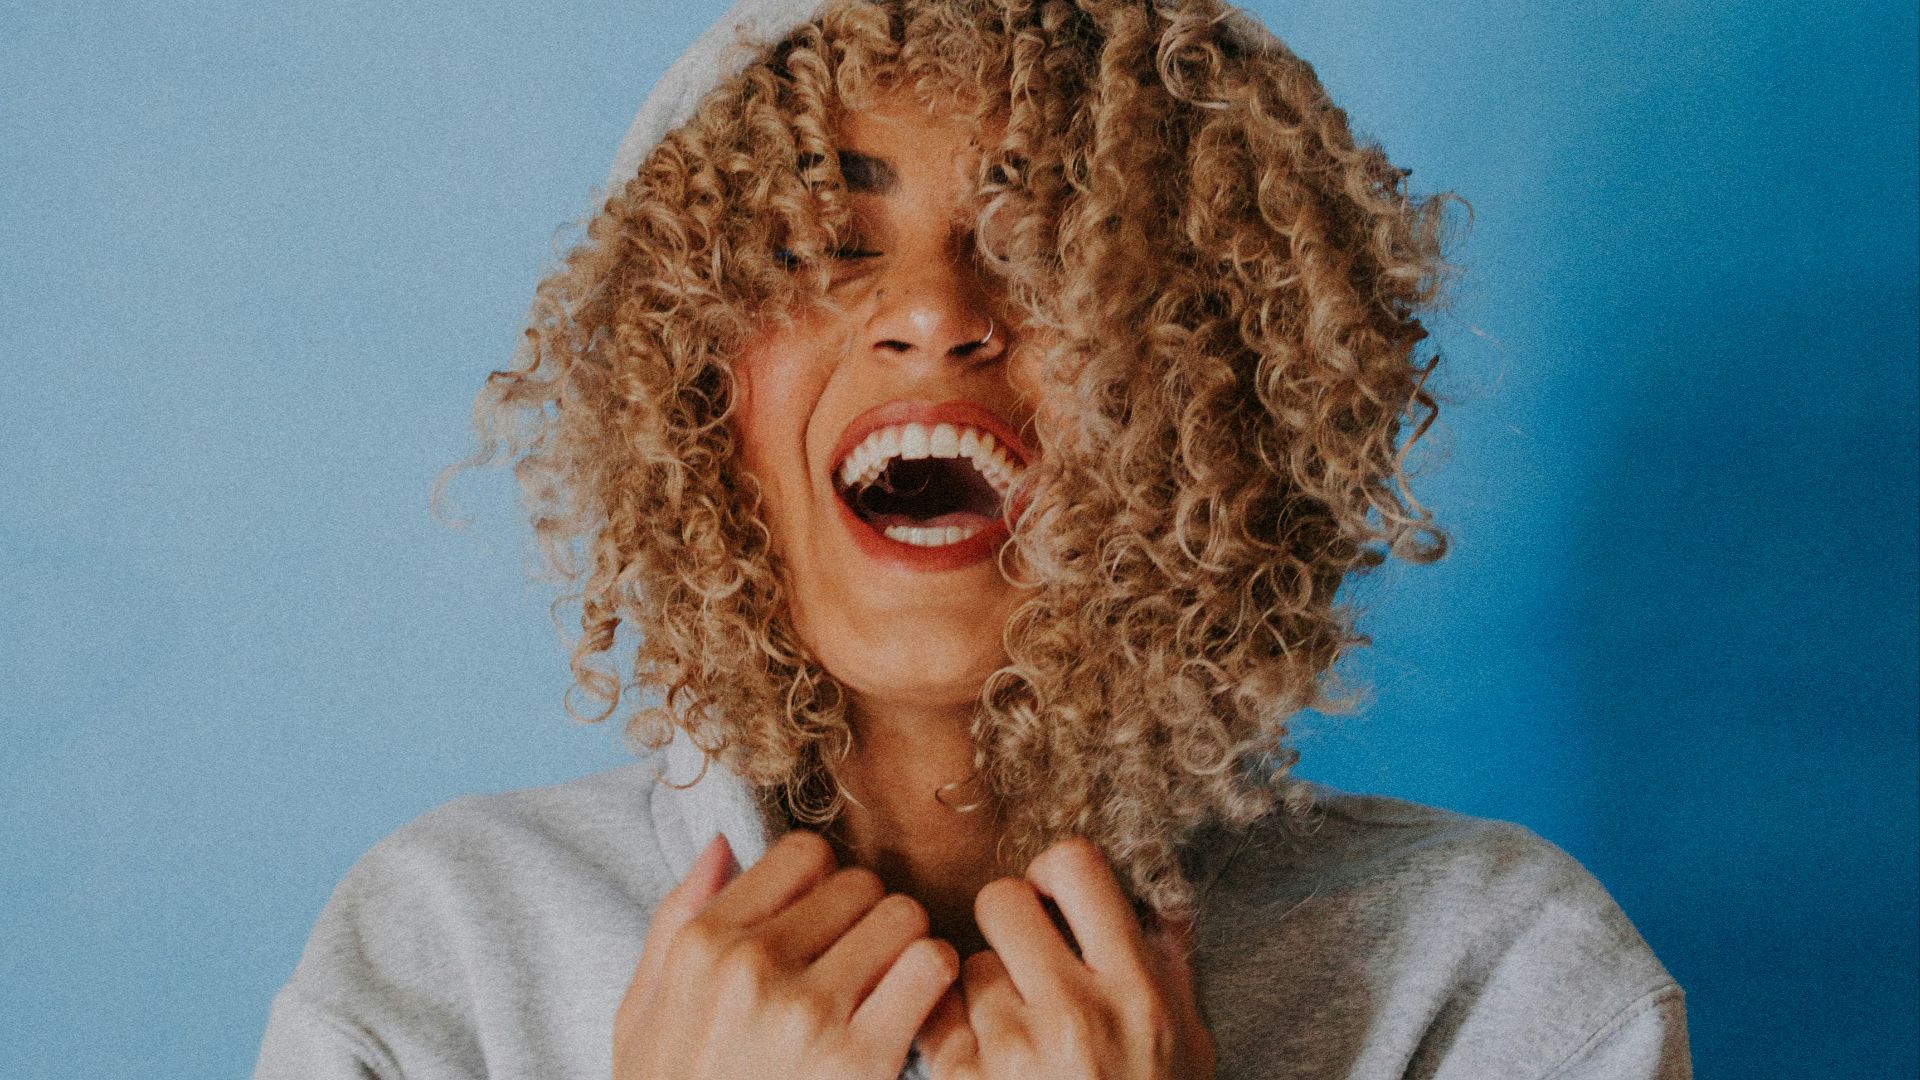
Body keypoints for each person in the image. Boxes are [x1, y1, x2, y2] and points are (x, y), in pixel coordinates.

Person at [254, 0, 1692, 1077]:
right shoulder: (441, 955)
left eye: (1055, 242)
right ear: (692, 394)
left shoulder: (1505, 987)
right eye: (822, 241)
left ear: (1227, 379)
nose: (935, 311)